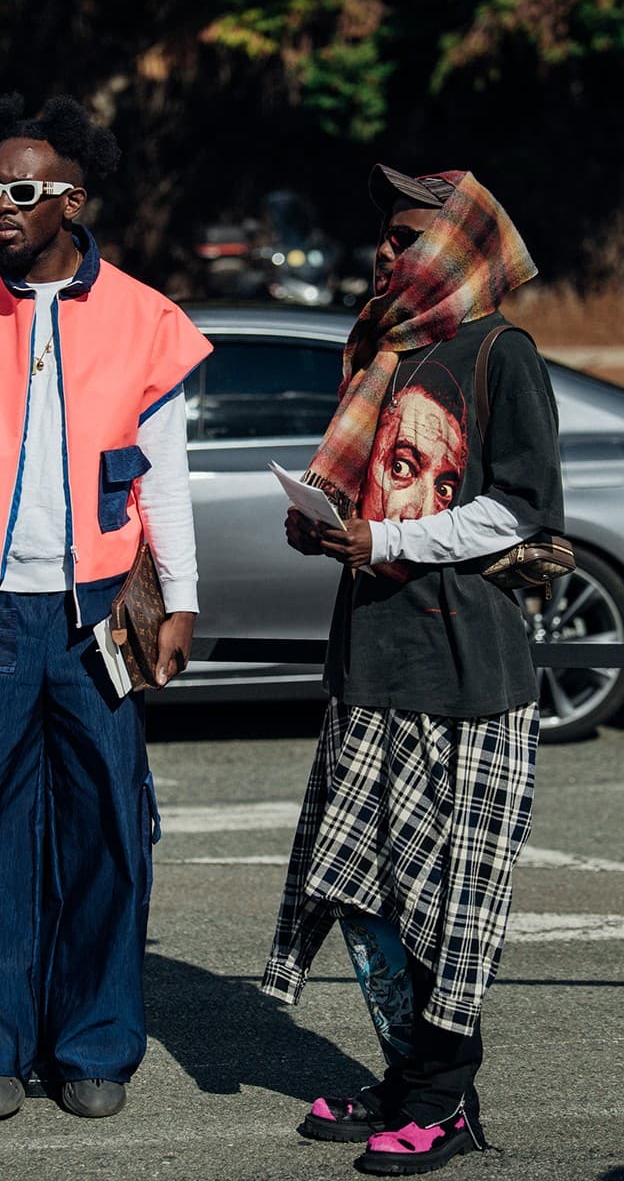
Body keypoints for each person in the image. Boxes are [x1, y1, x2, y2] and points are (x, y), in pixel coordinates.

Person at [0, 94, 211, 1121]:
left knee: (110, 827)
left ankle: (93, 1049)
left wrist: (183, 601)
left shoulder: (145, 320)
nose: (1, 208)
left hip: (98, 617)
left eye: (20, 192)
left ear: (70, 200)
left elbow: (164, 480)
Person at [261, 164, 564, 1175]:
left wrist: (385, 545)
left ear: (460, 246)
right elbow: (372, 505)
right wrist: (331, 534)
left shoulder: (496, 353)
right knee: (368, 895)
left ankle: (440, 1106)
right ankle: (407, 1079)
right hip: (371, 663)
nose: (386, 253)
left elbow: (518, 508)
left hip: (460, 671)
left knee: (446, 904)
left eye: (405, 237)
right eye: (385, 237)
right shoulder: (389, 351)